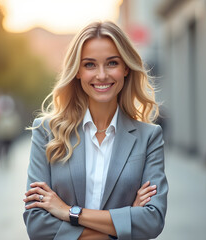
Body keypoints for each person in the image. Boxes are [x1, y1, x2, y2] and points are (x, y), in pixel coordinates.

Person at [23, 21, 168, 240]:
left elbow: (152, 220)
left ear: (126, 67)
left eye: (112, 63)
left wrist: (68, 212)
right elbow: (37, 225)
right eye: (90, 65)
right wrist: (123, 224)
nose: (101, 75)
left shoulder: (149, 137)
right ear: (77, 72)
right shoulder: (46, 132)